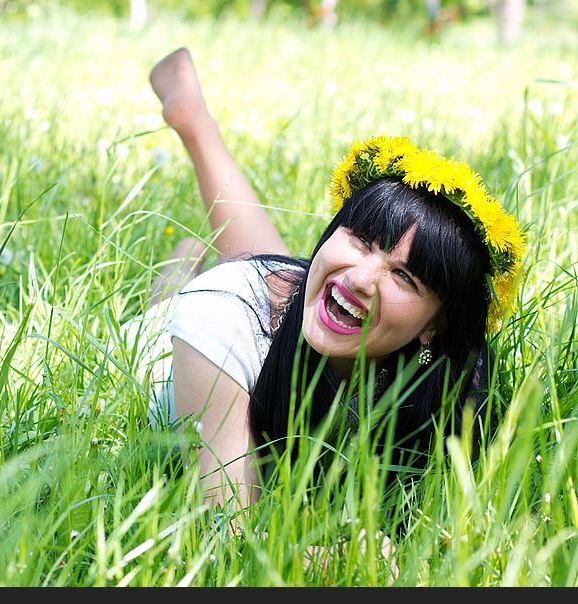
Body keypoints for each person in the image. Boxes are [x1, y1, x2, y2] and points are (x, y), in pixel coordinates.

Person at [130, 48, 526, 517]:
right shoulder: (220, 321)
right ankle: (180, 261)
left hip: (286, 296)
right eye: (360, 237)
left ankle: (194, 131)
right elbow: (231, 526)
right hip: (178, 346)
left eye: (403, 275)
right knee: (226, 286)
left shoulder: (446, 380)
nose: (363, 277)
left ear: (435, 327)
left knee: (288, 272)